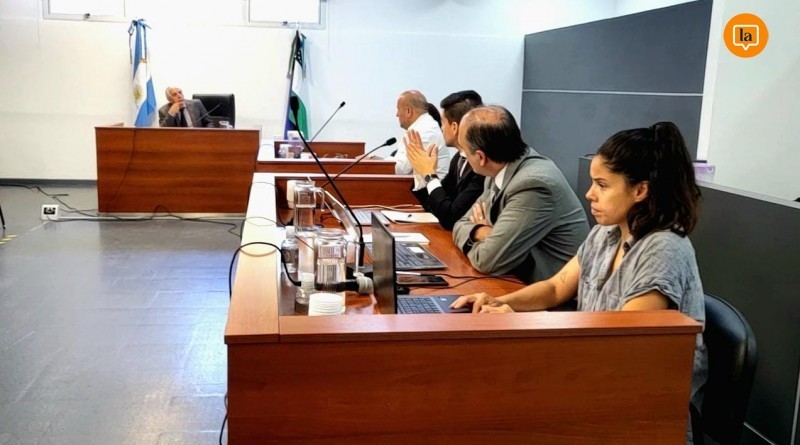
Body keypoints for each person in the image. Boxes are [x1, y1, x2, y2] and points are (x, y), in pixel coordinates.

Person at [452, 121, 707, 444]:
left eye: (602, 185)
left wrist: (520, 324)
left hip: (644, 409)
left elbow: (625, 344)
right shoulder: (606, 232)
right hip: (598, 381)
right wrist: (501, 302)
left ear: (640, 191)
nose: (589, 194)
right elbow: (556, 287)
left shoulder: (663, 249)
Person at [452, 106, 588, 284]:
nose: (462, 155)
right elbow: (460, 224)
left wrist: (488, 236)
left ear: (481, 157)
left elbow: (487, 261)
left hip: (551, 293)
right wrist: (481, 232)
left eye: (463, 150)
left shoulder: (533, 185)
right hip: (516, 280)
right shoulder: (498, 169)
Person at [405, 90, 486, 230]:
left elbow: (450, 217)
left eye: (442, 123)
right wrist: (421, 172)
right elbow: (436, 206)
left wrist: (430, 175)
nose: (441, 129)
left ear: (454, 127)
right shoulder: (459, 158)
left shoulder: (481, 166)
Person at [390, 90, 449, 177]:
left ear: (408, 111)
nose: (397, 114)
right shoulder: (421, 127)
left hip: (432, 185)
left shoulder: (424, 131)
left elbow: (401, 169)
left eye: (398, 109)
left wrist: (377, 163)